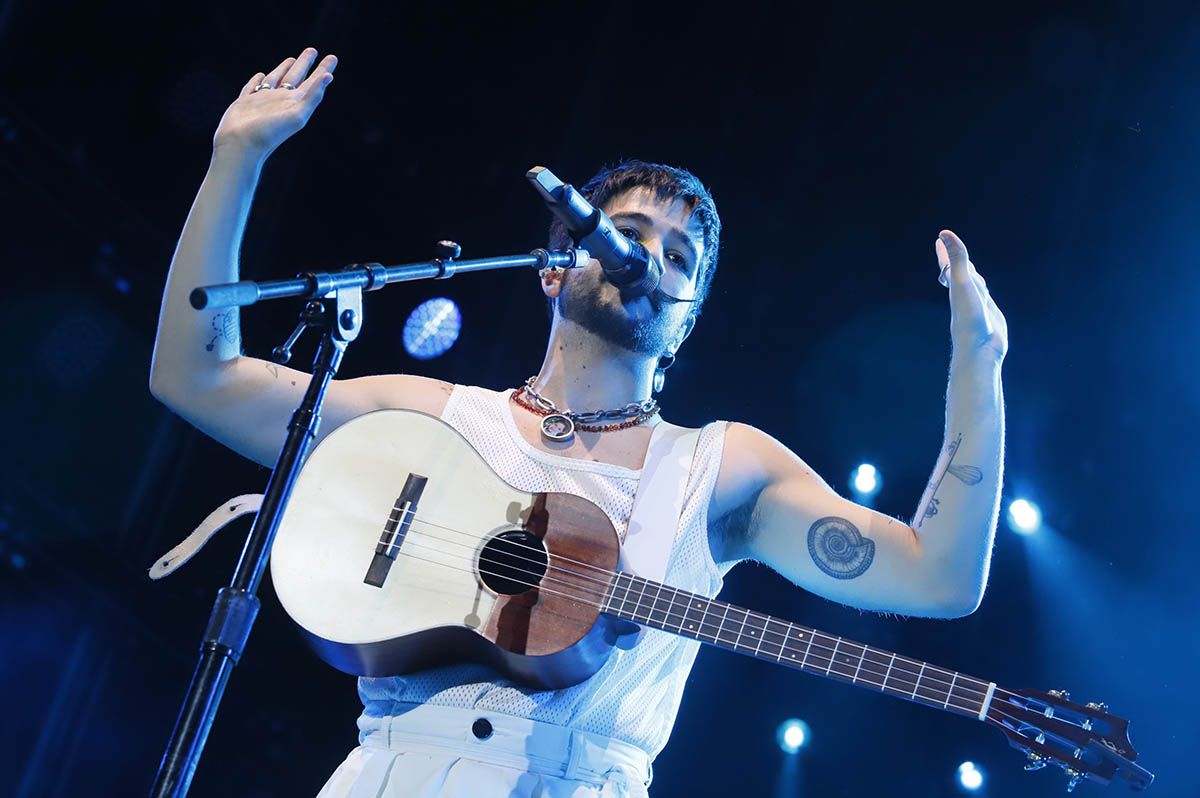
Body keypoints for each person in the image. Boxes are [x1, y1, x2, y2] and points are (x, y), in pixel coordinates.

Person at [150, 47, 1008, 797]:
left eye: (680, 259)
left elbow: (937, 579)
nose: (650, 258)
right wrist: (237, 160)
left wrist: (979, 368)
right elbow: (196, 377)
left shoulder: (724, 469)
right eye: (626, 232)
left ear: (687, 317)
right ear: (556, 269)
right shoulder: (431, 417)